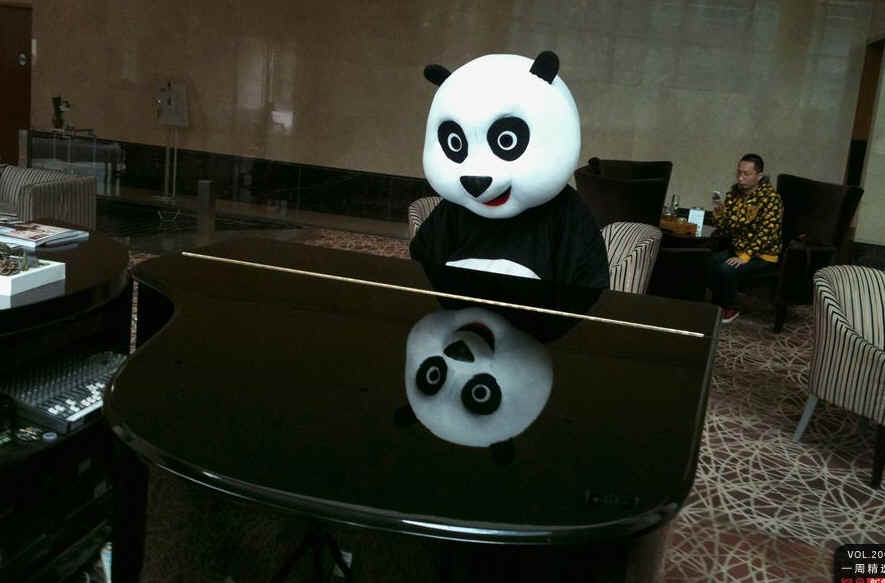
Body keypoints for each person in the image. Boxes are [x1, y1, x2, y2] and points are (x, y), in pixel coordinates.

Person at [709, 153, 783, 323]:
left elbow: (767, 233)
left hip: (763, 254)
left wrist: (745, 256)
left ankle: (732, 307)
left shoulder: (771, 198)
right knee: (711, 261)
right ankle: (719, 303)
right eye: (739, 173)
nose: (740, 178)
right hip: (739, 249)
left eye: (746, 174)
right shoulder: (734, 194)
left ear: (759, 176)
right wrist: (719, 211)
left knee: (727, 269)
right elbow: (726, 228)